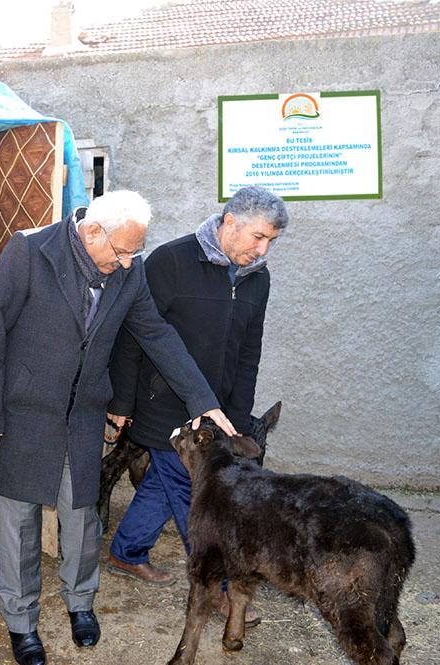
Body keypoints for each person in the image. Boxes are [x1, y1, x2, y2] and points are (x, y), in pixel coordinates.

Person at [0, 190, 237, 665]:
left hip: (81, 418)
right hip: (20, 414)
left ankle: (80, 603)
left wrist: (204, 402)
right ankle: (22, 622)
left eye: (135, 251)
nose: (130, 262)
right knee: (19, 527)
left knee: (81, 518)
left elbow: (156, 335)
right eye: (122, 251)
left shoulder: (126, 274)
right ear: (92, 232)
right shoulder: (29, 252)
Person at [106, 186, 287, 623]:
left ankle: (127, 551)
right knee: (198, 498)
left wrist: (239, 419)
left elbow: (249, 352)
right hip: (166, 406)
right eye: (257, 237)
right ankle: (221, 590)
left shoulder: (256, 278)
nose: (262, 250)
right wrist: (122, 400)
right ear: (229, 223)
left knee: (164, 487)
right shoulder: (171, 261)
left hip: (218, 411)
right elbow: (133, 335)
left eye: (271, 242)